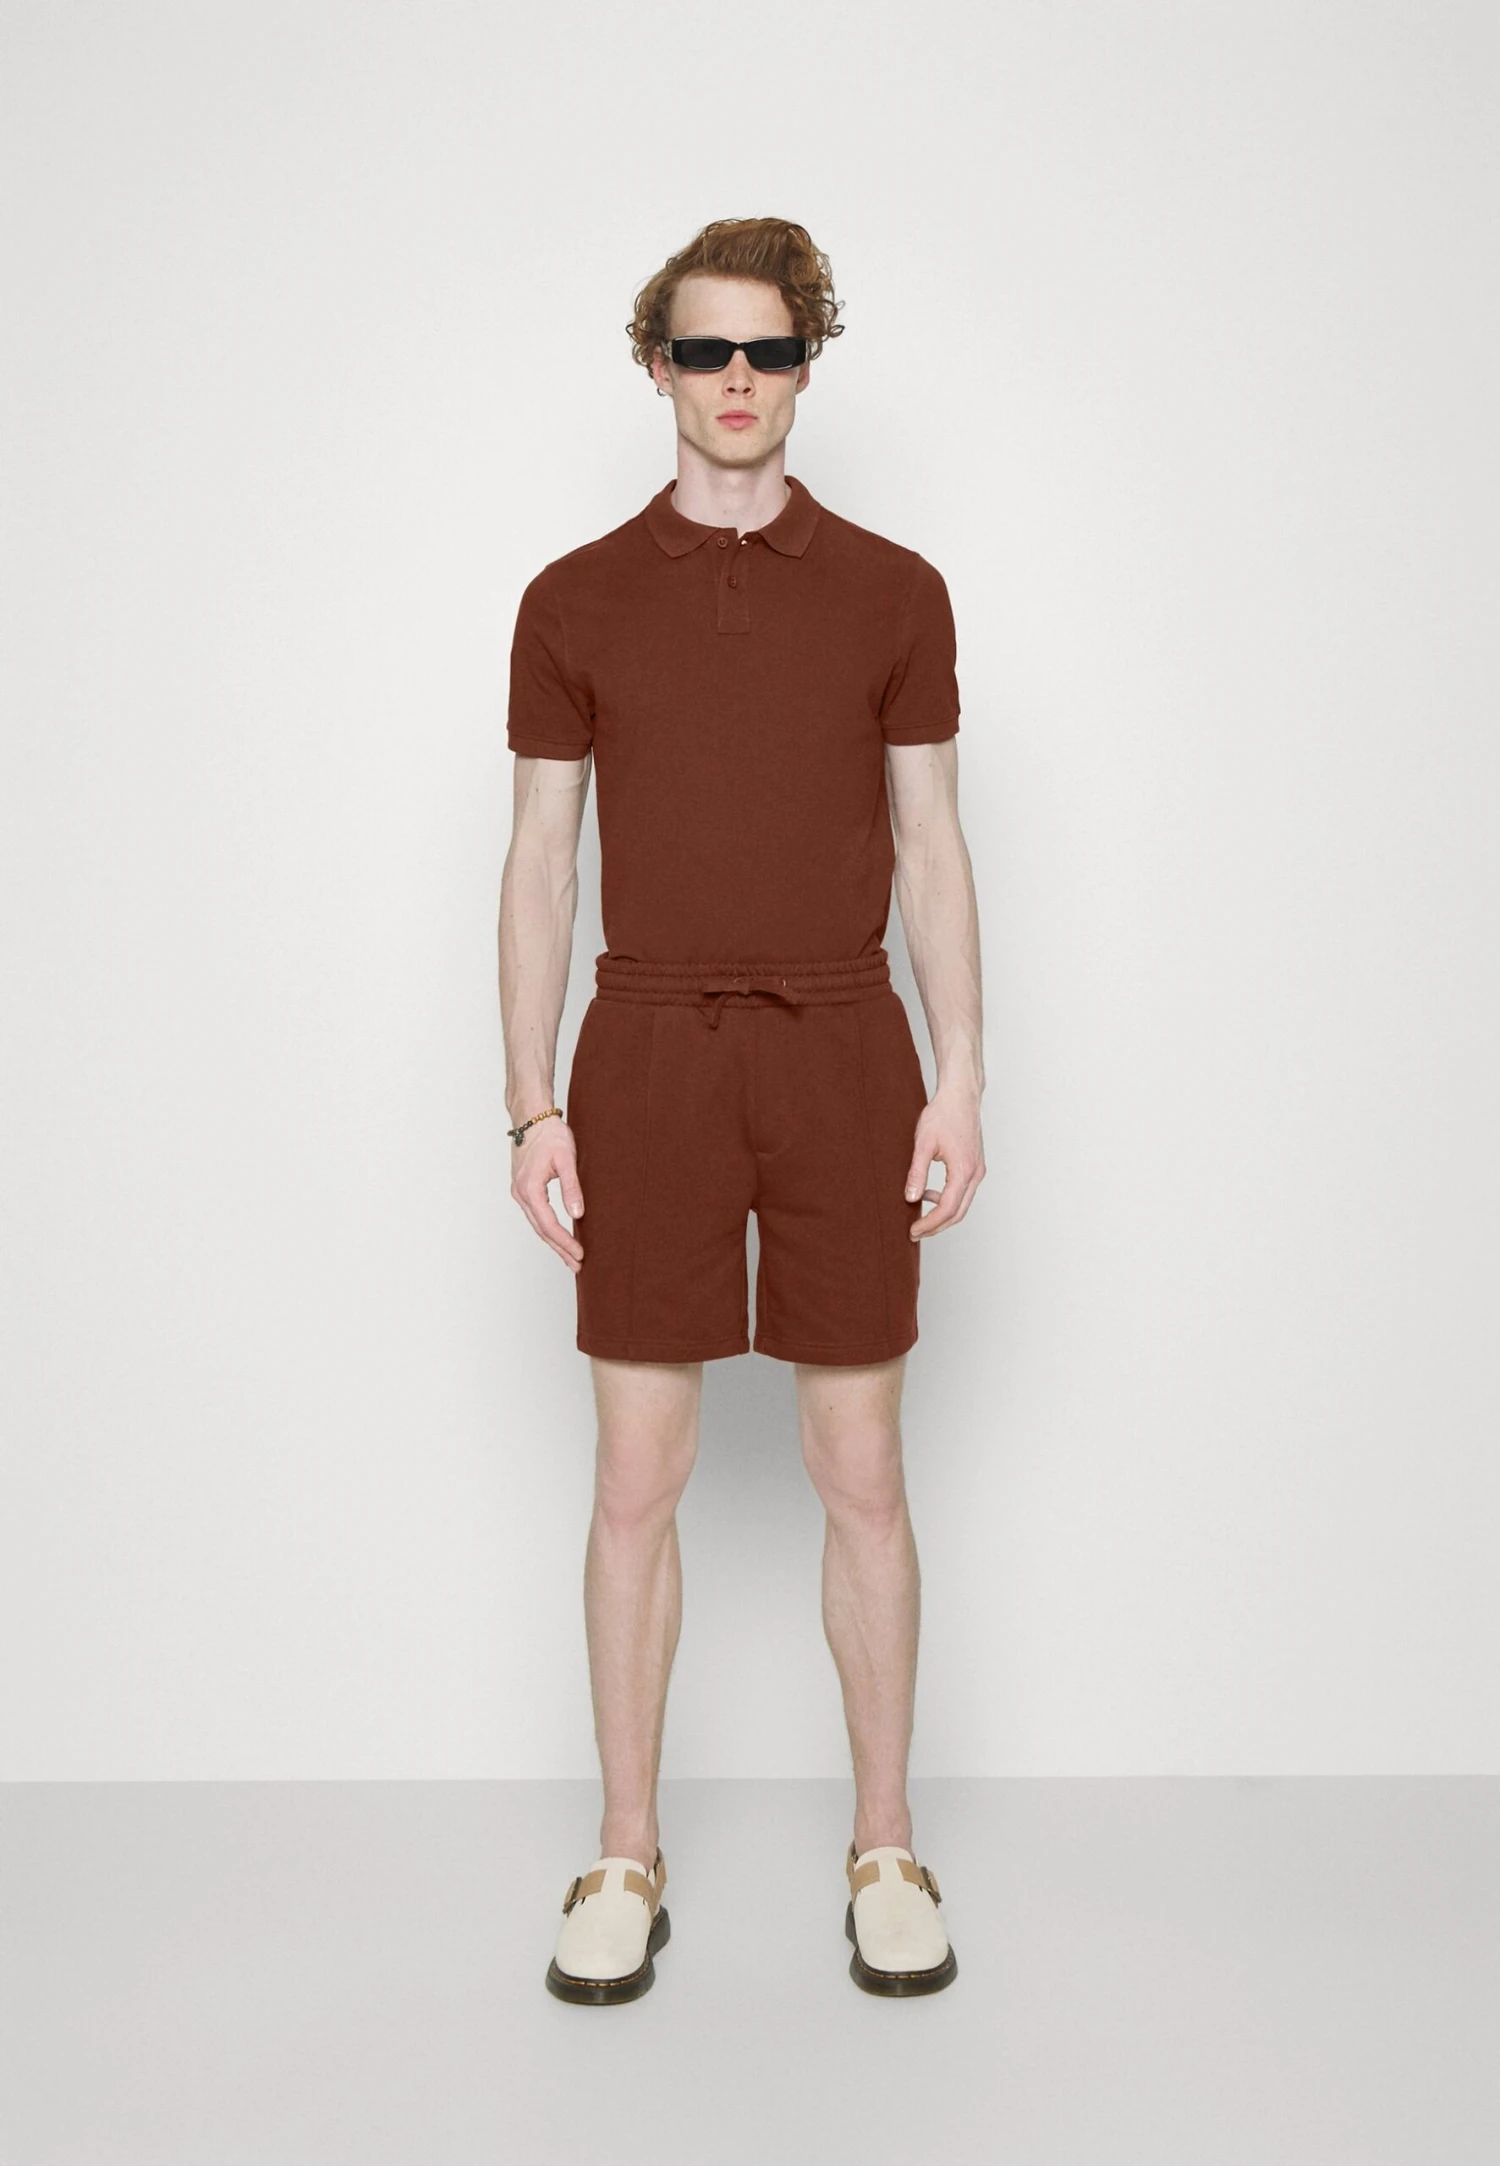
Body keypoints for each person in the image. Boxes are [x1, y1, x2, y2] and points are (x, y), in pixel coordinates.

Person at [497, 217, 985, 2002]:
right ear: (659, 367)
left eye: (768, 352)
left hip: (844, 1041)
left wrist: (962, 1074)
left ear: (804, 369)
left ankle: (887, 1846)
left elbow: (930, 841)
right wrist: (530, 1102)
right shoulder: (572, 600)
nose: (735, 382)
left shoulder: (894, 590)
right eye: (704, 351)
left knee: (864, 1469)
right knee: (638, 1475)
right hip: (647, 1046)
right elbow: (541, 861)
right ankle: (624, 1852)